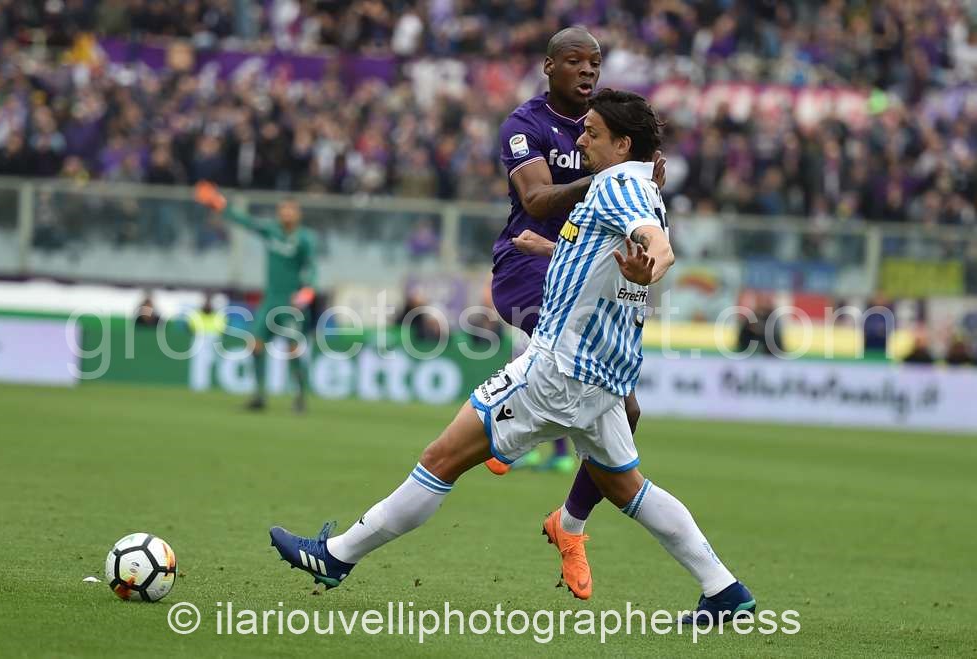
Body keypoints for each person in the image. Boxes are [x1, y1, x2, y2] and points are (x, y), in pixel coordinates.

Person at [270, 90, 756, 623]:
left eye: (592, 133)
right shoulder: (644, 188)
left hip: (558, 370)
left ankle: (337, 556)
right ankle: (723, 589)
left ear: (622, 144)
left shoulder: (619, 185)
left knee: (441, 459)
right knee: (629, 488)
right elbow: (604, 254)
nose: (581, 140)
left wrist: (653, 265)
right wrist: (549, 249)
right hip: (602, 378)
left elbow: (656, 247)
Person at [484, 25, 665, 600]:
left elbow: (637, 212)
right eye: (575, 61)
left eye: (595, 62)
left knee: (628, 412)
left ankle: (568, 521)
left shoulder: (611, 129)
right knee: (603, 396)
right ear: (549, 66)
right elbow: (536, 200)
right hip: (527, 268)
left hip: (581, 274)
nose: (587, 70)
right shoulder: (526, 126)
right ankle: (506, 426)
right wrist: (610, 177)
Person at [193, 182, 317, 412]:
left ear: (298, 214)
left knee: (293, 349)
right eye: (283, 209)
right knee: (255, 345)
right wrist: (218, 203)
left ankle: (300, 397)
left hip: (291, 303)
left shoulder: (305, 238)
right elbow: (245, 221)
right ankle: (259, 395)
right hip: (270, 299)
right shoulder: (272, 231)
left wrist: (308, 289)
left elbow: (311, 266)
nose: (286, 213)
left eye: (290, 210)